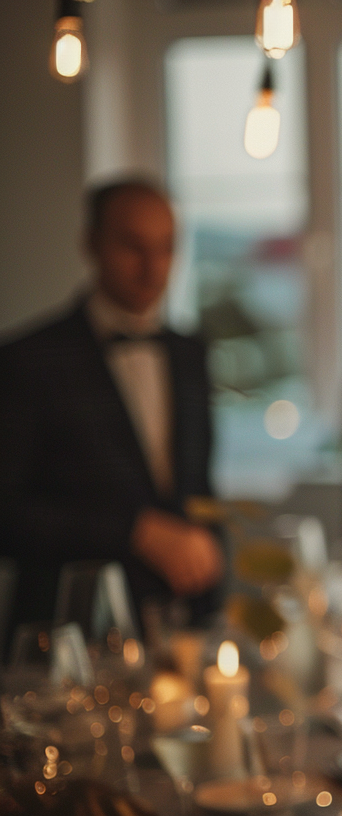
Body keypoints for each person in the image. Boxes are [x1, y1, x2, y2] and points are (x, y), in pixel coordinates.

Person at [0, 179, 223, 636]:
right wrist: (133, 531)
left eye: (166, 248)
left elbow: (197, 488)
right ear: (91, 244)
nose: (153, 267)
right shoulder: (26, 360)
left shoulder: (189, 354)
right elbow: (7, 513)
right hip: (67, 634)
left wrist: (212, 556)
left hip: (179, 627)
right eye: (133, 247)